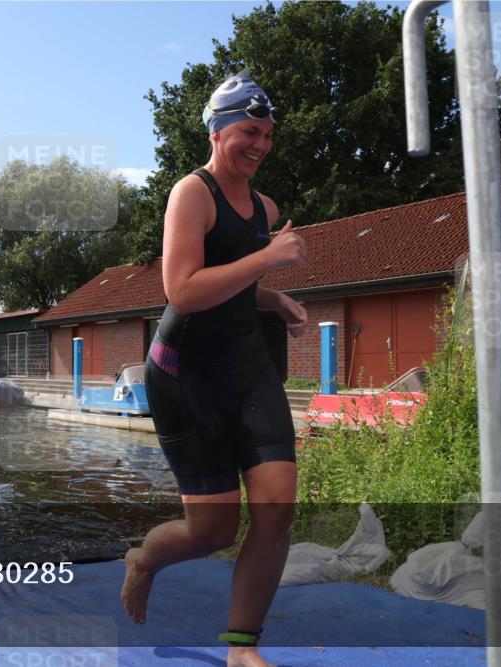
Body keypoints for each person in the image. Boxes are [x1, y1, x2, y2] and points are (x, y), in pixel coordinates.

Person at [120, 69, 308, 667]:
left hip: (245, 367)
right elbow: (182, 289)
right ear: (218, 130)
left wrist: (271, 295)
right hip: (184, 375)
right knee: (214, 532)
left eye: (269, 134)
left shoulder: (264, 206)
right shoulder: (191, 193)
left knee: (278, 508)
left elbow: (232, 283)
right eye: (249, 131)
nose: (260, 145)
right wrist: (267, 258)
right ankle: (143, 559)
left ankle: (240, 648)